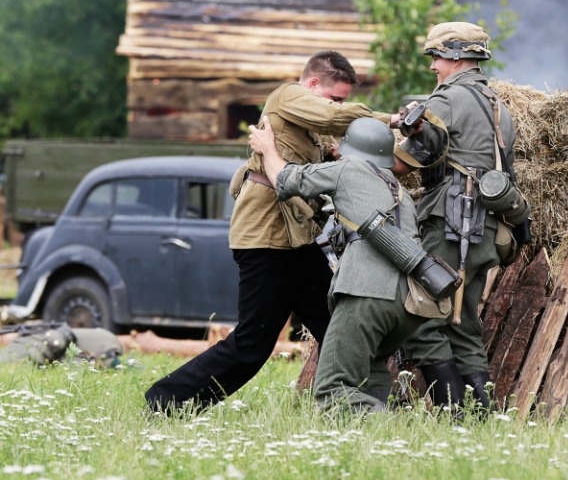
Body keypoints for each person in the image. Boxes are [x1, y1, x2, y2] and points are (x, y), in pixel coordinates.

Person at [145, 50, 403, 413]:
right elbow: (334, 117)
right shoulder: (288, 96)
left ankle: (355, 407)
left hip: (298, 240)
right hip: (266, 236)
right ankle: (166, 401)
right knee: (252, 344)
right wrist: (392, 120)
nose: (338, 105)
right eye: (335, 97)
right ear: (312, 83)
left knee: (338, 326)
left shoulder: (311, 122)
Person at [249, 114, 437, 412]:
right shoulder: (397, 189)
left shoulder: (349, 168)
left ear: (351, 147)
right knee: (372, 368)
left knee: (333, 389)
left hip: (367, 293)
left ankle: (386, 425)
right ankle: (383, 434)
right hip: (409, 302)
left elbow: (285, 180)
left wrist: (267, 147)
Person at [394, 22, 523, 412]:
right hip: (486, 229)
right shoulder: (498, 105)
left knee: (423, 318)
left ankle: (453, 414)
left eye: (436, 56)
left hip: (450, 225)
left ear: (454, 56)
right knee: (463, 326)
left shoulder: (447, 99)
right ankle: (480, 419)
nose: (433, 66)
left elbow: (405, 162)